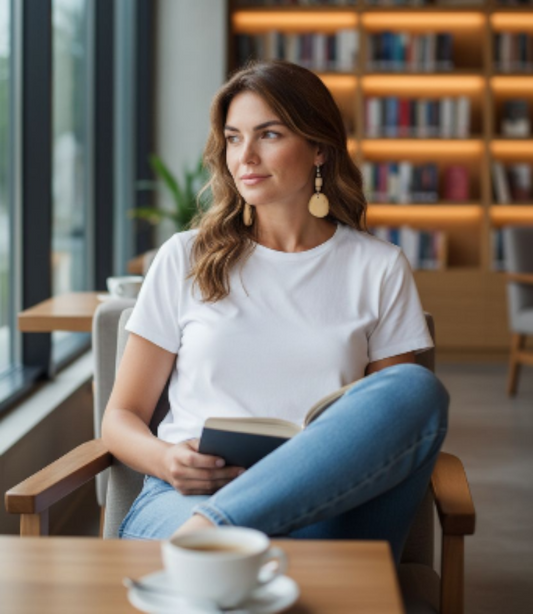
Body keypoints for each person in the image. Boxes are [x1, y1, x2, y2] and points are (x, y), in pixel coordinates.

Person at [102, 59, 449, 562]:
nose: (245, 155)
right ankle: (222, 538)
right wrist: (167, 459)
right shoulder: (185, 257)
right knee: (270, 560)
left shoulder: (379, 267)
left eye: (269, 134)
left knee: (418, 391)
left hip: (322, 508)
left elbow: (394, 424)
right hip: (186, 501)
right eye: (234, 137)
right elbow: (120, 417)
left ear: (319, 150)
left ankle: (220, 540)